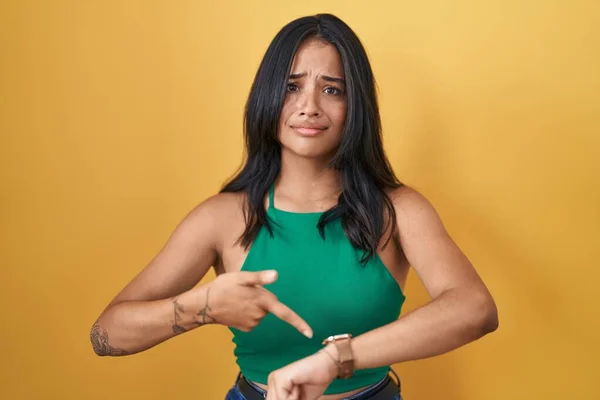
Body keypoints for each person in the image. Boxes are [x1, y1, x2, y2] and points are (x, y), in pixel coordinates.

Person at [90, 13, 499, 400]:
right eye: (292, 86)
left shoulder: (399, 210)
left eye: (332, 89)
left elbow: (475, 309)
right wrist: (202, 307)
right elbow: (105, 335)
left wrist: (335, 359)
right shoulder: (220, 218)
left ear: (355, 107)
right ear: (267, 96)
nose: (310, 106)